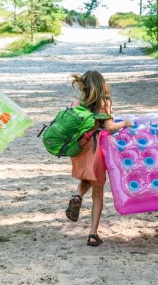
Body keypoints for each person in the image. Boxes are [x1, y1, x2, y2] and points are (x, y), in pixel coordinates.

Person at [65, 71, 132, 246]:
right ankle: (93, 234)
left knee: (87, 177)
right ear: (102, 84)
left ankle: (78, 196)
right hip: (97, 148)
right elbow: (109, 128)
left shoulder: (76, 103)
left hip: (80, 148)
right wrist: (124, 123)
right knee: (98, 193)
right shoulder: (104, 102)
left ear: (84, 85)